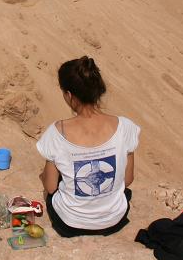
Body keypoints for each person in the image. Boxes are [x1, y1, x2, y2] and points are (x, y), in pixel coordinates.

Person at [36, 56, 141, 237]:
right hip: (114, 220)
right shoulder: (125, 127)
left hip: (71, 224)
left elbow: (51, 187)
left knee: (55, 188)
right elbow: (127, 180)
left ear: (69, 95)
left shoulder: (56, 132)